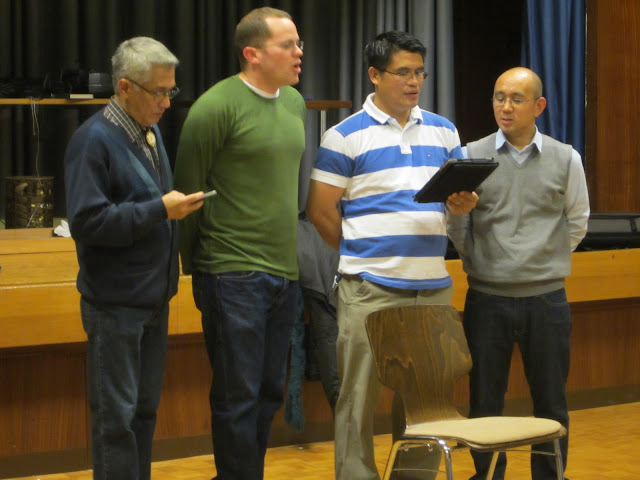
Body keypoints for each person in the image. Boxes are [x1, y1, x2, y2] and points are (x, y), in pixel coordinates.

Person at [306, 31, 478, 480]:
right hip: (369, 288)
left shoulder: (444, 130)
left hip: (431, 287)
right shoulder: (344, 136)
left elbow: (457, 199)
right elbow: (320, 212)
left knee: (428, 400)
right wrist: (363, 253)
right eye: (403, 72)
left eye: (419, 72)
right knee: (357, 399)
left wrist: (463, 202)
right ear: (374, 75)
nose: (414, 81)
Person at [173, 7, 305, 480]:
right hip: (231, 273)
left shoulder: (294, 103)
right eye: (287, 45)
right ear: (253, 54)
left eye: (299, 43)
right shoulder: (215, 107)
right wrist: (199, 271)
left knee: (268, 393)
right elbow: (187, 195)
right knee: (237, 396)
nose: (299, 52)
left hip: (284, 273)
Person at [64, 37, 203, 480]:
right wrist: (160, 209)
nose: (167, 102)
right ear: (124, 87)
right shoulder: (92, 141)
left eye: (171, 90)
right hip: (115, 306)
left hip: (152, 301)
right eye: (158, 92)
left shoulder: (150, 130)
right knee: (116, 422)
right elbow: (87, 222)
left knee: (143, 414)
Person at [447, 67, 590, 480]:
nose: (505, 107)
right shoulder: (472, 154)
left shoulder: (566, 158)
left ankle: (549, 476)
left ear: (539, 106)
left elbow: (578, 220)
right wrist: (482, 261)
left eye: (516, 99)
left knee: (551, 402)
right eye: (499, 97)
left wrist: (542, 259)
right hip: (486, 298)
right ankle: (489, 475)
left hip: (547, 300)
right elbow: (457, 224)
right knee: (484, 401)